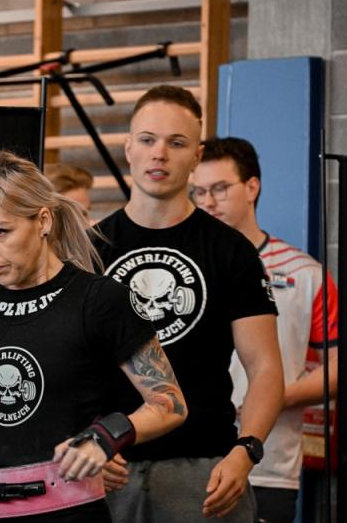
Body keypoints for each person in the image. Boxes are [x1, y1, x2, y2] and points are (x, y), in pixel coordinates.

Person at [0, 150, 188, 522]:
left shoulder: (98, 300)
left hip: (72, 513)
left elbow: (170, 402)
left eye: (0, 231)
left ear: (43, 221)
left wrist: (107, 435)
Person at [94, 85, 284, 522]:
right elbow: (65, 364)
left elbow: (265, 367)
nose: (159, 154)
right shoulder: (87, 250)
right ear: (128, 147)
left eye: (176, 143)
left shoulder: (232, 251)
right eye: (148, 139)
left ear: (196, 156)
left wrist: (246, 450)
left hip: (205, 472)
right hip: (107, 470)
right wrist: (84, 441)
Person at [192, 136, 338, 523]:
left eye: (220, 188)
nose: (208, 202)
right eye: (199, 192)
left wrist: (274, 396)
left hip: (267, 465)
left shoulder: (305, 273)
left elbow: (341, 367)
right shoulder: (181, 269)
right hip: (185, 460)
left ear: (252, 187)